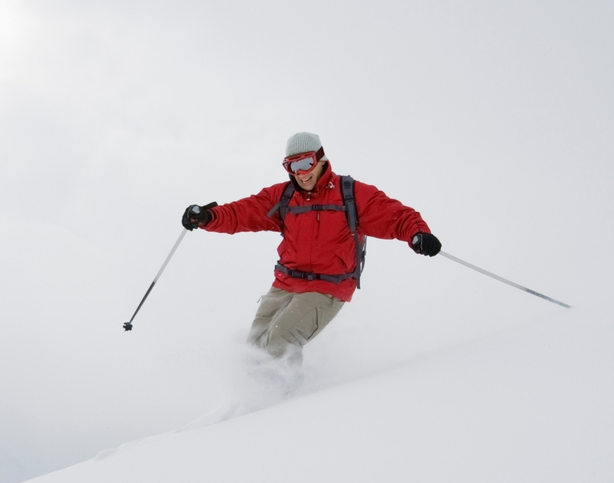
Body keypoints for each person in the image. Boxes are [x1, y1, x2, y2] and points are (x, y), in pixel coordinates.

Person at [182, 132, 442, 364]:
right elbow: (243, 212)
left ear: (321, 160)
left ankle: (286, 403)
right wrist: (208, 217)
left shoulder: (350, 193)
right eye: (292, 166)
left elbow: (396, 216)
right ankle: (252, 403)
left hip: (327, 286)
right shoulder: (283, 196)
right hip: (285, 282)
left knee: (280, 340)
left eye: (306, 163)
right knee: (254, 348)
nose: (301, 173)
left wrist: (418, 234)